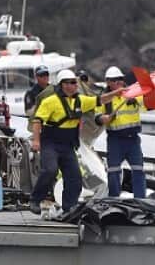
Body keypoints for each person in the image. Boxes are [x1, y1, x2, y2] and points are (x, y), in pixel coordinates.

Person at [29, 71, 119, 215]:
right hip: (51, 142)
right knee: (50, 170)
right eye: (71, 82)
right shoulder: (50, 102)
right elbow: (37, 121)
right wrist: (36, 140)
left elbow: (101, 100)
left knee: (75, 177)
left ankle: (68, 207)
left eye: (75, 82)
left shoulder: (81, 101)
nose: (74, 85)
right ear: (63, 85)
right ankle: (35, 200)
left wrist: (117, 93)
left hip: (68, 144)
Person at [97, 66, 146, 198]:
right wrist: (103, 118)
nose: (118, 82)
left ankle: (140, 201)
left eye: (120, 79)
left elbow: (148, 103)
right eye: (114, 80)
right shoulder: (105, 98)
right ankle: (114, 199)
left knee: (138, 170)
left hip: (133, 140)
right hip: (115, 140)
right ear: (108, 82)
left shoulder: (133, 94)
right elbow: (97, 116)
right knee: (113, 172)